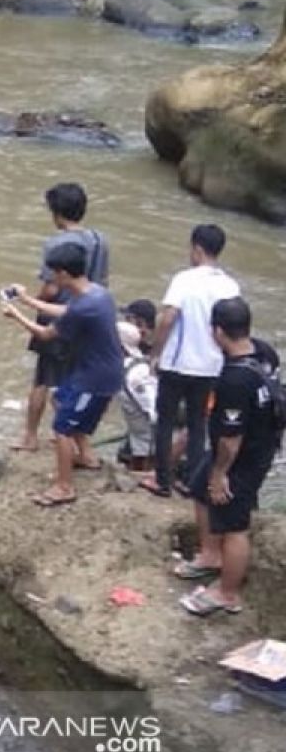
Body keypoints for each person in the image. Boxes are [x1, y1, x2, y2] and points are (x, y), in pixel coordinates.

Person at [179, 298, 281, 616]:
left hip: (245, 455)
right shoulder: (263, 352)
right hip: (261, 438)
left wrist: (220, 474)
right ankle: (211, 555)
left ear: (218, 331)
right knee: (198, 487)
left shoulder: (234, 381)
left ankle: (227, 593)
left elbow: (230, 438)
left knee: (235, 522)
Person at [3, 242, 124, 507]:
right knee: (60, 401)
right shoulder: (97, 294)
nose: (52, 279)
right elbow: (64, 312)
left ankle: (64, 486)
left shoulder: (84, 306)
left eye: (54, 273)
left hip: (96, 377)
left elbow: (47, 334)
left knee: (62, 427)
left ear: (65, 274)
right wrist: (26, 300)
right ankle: (86, 456)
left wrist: (16, 315)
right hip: (100, 369)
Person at [143, 224, 241, 498]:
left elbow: (168, 318)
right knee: (198, 424)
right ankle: (191, 482)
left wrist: (155, 354)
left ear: (197, 249)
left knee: (165, 420)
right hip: (211, 366)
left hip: (178, 363)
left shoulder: (184, 279)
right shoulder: (229, 285)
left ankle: (162, 481)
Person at [12, 182, 110, 453]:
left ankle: (31, 437)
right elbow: (102, 281)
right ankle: (71, 433)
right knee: (74, 379)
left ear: (56, 212)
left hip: (59, 317)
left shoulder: (57, 244)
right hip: (90, 317)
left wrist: (31, 302)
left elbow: (52, 287)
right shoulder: (101, 240)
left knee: (43, 379)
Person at [117, 322, 157, 473]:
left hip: (149, 445)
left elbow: (154, 411)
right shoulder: (126, 367)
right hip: (139, 440)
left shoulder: (137, 373)